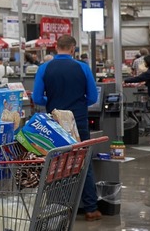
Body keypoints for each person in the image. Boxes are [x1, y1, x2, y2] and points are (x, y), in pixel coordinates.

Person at [32, 34, 101, 221]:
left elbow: (37, 98)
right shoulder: (83, 68)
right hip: (78, 121)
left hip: (54, 123)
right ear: (73, 49)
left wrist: (53, 101)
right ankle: (91, 208)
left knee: (56, 164)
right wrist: (77, 103)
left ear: (56, 47)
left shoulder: (44, 68)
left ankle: (59, 208)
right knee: (82, 161)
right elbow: (93, 98)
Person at [124, 54, 150, 145]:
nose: (144, 63)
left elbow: (139, 78)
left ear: (148, 62)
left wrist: (126, 80)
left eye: (145, 61)